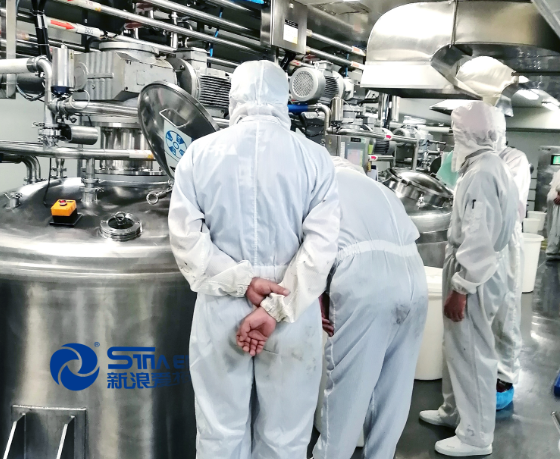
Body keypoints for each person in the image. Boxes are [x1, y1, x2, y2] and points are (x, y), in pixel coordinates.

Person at [168, 60, 340, 459]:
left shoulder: (199, 154)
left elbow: (186, 239)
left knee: (220, 430)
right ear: (284, 98)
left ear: (234, 96)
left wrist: (243, 282)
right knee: (285, 435)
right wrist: (276, 307)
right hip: (290, 304)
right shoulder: (315, 158)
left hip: (221, 304)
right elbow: (320, 249)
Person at [309, 157, 428, 459]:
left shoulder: (322, 184)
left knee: (346, 394)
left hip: (365, 282)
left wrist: (317, 299)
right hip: (414, 279)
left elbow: (311, 251)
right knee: (393, 391)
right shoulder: (380, 189)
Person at [419, 101, 518, 457]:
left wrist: (462, 287)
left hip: (475, 274)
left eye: (455, 132)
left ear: (467, 133)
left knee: (473, 352)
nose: (453, 138)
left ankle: (476, 436)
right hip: (475, 269)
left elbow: (479, 236)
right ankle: (454, 412)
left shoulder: (482, 173)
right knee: (457, 346)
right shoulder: (486, 166)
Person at [491, 113, 531, 410]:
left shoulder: (514, 159)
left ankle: (504, 376)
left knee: (504, 311)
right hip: (477, 241)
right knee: (478, 315)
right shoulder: (465, 160)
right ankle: (480, 370)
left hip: (504, 241)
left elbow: (503, 202)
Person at [546, 169, 560, 260]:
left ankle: (552, 250)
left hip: (553, 195)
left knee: (552, 224)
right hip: (557, 197)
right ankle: (552, 251)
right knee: (556, 226)